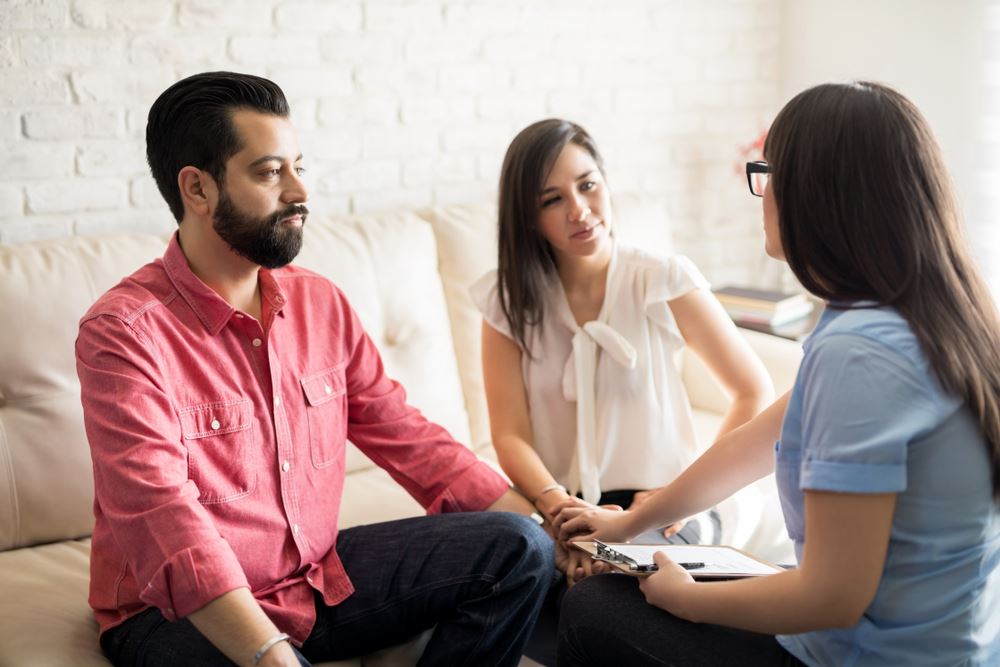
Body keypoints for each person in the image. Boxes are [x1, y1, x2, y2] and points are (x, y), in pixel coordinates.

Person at [76, 71, 553, 667]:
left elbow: (406, 435)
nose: (300, 191)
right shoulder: (123, 333)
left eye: (299, 166)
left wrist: (549, 525)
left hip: (315, 577)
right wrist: (272, 655)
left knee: (521, 548)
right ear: (197, 189)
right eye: (270, 172)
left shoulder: (319, 302)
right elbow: (161, 518)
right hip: (175, 615)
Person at [554, 81, 1000, 666]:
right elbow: (756, 443)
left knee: (595, 609)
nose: (760, 193)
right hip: (942, 638)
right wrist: (634, 520)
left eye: (768, 174)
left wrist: (691, 602)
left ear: (817, 196)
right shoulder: (929, 311)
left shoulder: (862, 355)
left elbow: (832, 596)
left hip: (874, 655)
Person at [472, 119, 774, 664]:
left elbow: (753, 390)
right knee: (518, 592)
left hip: (666, 501)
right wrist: (558, 513)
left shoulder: (660, 278)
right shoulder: (507, 301)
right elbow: (509, 434)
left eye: (588, 185)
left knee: (609, 602)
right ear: (528, 217)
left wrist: (682, 492)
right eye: (552, 199)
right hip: (562, 504)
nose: (579, 211)